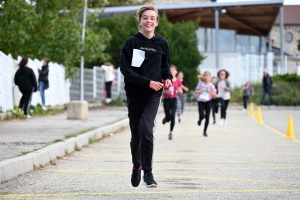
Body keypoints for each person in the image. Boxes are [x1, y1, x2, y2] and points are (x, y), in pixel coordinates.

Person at [119, 3, 172, 188]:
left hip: (153, 94)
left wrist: (167, 78)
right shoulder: (131, 42)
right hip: (135, 93)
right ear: (140, 21)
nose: (148, 21)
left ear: (156, 22)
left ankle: (148, 173)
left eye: (152, 18)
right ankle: (136, 166)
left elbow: (166, 66)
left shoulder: (162, 43)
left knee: (146, 130)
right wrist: (146, 82)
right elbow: (125, 70)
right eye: (145, 18)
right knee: (136, 136)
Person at [162, 65, 182, 140]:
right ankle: (166, 118)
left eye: (173, 70)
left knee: (173, 116)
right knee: (168, 115)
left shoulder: (178, 81)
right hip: (167, 99)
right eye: (170, 70)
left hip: (174, 99)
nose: (172, 71)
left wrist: (179, 90)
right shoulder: (165, 80)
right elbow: (161, 89)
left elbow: (181, 90)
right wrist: (165, 91)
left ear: (176, 72)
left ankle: (170, 133)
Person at [196, 71, 217, 137]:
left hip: (208, 101)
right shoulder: (200, 83)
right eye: (204, 75)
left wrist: (209, 91)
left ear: (210, 77)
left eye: (207, 75)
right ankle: (200, 119)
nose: (206, 76)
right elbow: (196, 90)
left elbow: (215, 95)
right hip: (201, 101)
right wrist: (199, 91)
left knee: (207, 117)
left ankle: (205, 131)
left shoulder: (211, 85)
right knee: (202, 115)